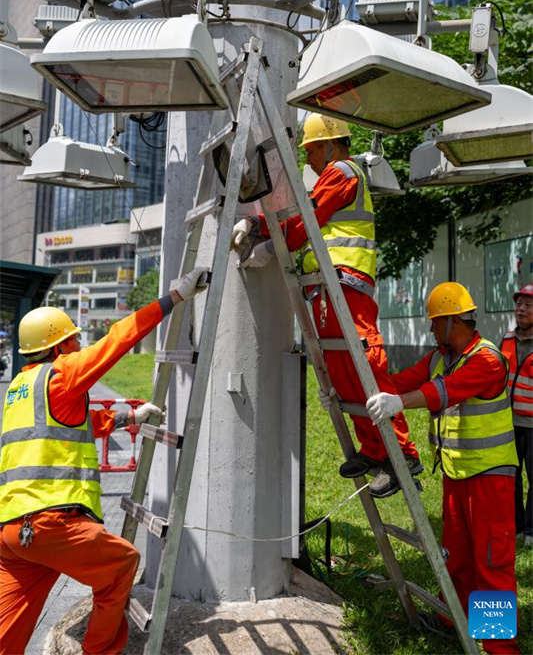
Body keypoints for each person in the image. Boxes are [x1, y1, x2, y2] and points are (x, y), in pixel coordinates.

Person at [0, 266, 207, 655]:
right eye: (74, 340)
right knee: (122, 564)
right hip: (50, 524)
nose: (78, 346)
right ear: (57, 346)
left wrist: (131, 416)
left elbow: (74, 423)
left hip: (12, 534)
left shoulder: (19, 388)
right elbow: (118, 339)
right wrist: (175, 296)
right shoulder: (61, 374)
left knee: (5, 631)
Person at [232, 112, 421, 498]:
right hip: (329, 287)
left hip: (346, 282)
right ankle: (373, 451)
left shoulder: (343, 171)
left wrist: (261, 233)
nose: (310, 161)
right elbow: (305, 221)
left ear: (332, 145)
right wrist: (262, 231)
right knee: (344, 372)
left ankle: (402, 455)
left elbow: (305, 219)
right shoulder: (335, 173)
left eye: (313, 151)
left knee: (366, 364)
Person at [366, 281, 520, 655]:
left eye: (436, 322)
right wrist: (354, 392)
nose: (431, 329)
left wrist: (399, 403)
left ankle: (499, 644)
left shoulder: (487, 359)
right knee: (457, 555)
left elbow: (441, 393)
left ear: (454, 321)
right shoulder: (439, 357)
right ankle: (452, 619)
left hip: (490, 479)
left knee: (490, 562)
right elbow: (399, 381)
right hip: (457, 475)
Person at [501, 283, 533, 547]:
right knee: (511, 477)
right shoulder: (507, 340)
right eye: (519, 304)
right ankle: (518, 527)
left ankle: (532, 532)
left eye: (528, 305)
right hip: (509, 422)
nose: (520, 309)